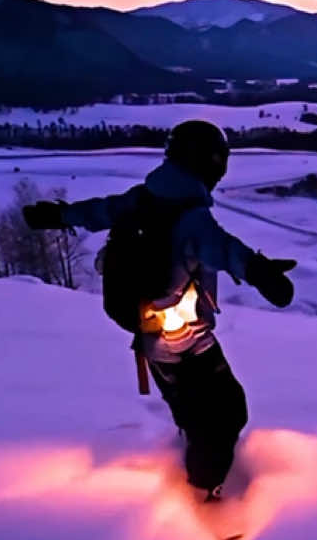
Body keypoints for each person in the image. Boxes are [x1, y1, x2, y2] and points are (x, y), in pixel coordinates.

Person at [21, 119, 296, 500]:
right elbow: (224, 248)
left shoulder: (141, 199)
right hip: (187, 342)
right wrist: (262, 272)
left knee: (192, 411)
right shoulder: (191, 218)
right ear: (208, 163)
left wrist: (58, 216)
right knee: (226, 413)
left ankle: (196, 465)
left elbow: (100, 211)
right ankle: (205, 494)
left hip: (151, 340)